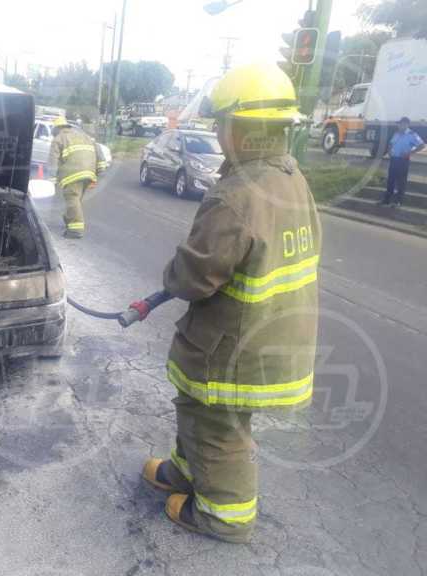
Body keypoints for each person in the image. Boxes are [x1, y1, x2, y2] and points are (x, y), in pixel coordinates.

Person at [140, 63, 321, 543]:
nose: (218, 133)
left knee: (219, 430)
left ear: (241, 128)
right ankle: (186, 472)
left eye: (221, 123)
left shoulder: (239, 195)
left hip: (233, 350)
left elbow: (197, 276)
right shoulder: (290, 178)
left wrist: (170, 277)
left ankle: (224, 517)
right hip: (270, 339)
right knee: (200, 412)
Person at [48, 117, 104, 239]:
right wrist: (99, 169)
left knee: (72, 198)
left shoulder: (58, 139)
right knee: (76, 200)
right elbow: (98, 150)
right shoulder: (83, 135)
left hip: (72, 174)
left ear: (57, 129)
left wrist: (51, 179)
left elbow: (53, 160)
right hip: (89, 173)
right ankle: (68, 219)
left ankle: (76, 230)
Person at [379, 117, 425, 207]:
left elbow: (422, 145)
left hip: (403, 160)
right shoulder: (396, 133)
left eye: (401, 124)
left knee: (401, 182)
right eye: (399, 124)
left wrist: (410, 153)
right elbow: (391, 143)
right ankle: (386, 200)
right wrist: (389, 152)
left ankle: (398, 202)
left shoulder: (412, 134)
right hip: (394, 160)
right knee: (390, 180)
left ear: (406, 124)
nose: (399, 125)